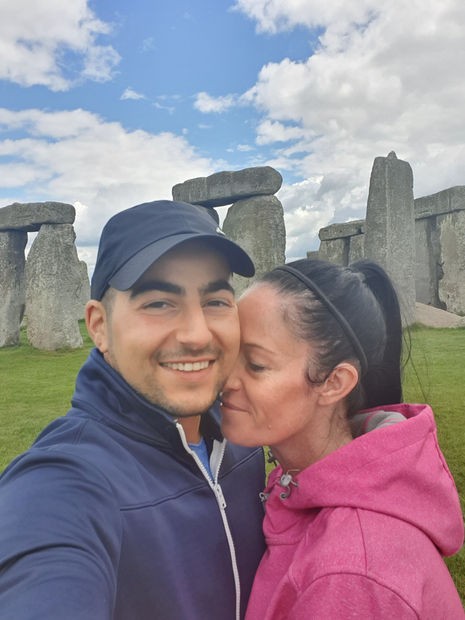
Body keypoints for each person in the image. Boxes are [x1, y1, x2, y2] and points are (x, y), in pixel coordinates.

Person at [0, 200, 266, 620]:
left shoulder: (247, 435)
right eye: (159, 303)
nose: (197, 334)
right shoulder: (65, 481)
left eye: (216, 300)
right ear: (99, 326)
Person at [220, 258, 465, 619]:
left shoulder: (348, 576)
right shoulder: (306, 484)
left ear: (334, 383)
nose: (225, 380)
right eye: (227, 353)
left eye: (255, 365)